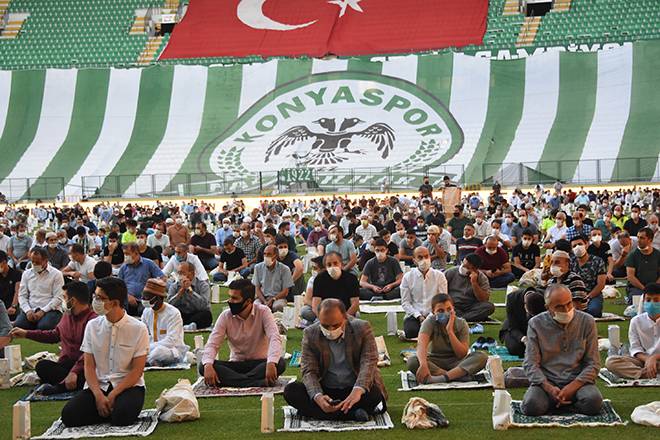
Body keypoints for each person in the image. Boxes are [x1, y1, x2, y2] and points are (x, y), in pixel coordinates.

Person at [60, 277, 149, 427]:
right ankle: (104, 409)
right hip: (98, 385)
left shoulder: (138, 328)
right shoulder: (92, 326)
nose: (95, 301)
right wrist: (98, 396)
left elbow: (137, 371)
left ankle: (109, 411)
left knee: (122, 418)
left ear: (114, 303)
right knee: (69, 416)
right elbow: (89, 366)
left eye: (100, 298)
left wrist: (114, 394)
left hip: (128, 386)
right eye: (95, 296)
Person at [283, 299, 387, 422]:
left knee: (374, 393)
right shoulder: (310, 333)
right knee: (291, 390)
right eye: (325, 326)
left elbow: (369, 362)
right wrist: (318, 397)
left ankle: (319, 413)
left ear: (345, 317)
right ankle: (351, 414)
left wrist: (358, 390)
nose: (331, 330)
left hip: (354, 388)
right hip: (326, 389)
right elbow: (308, 370)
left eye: (336, 325)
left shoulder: (361, 328)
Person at [522, 284, 603, 416]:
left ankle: (558, 403)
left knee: (593, 402)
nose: (566, 309)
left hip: (578, 382)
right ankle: (564, 403)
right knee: (531, 405)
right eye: (559, 307)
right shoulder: (535, 324)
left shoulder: (587, 321)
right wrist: (548, 387)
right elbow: (530, 363)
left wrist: (572, 387)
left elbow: (593, 363)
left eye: (569, 304)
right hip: (547, 383)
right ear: (548, 308)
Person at [10, 281, 96, 394]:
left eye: (65, 298)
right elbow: (54, 335)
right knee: (42, 366)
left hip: (86, 367)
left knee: (88, 374)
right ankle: (67, 383)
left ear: (73, 301)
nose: (63, 301)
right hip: (65, 365)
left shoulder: (93, 321)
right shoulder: (67, 316)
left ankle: (63, 386)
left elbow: (89, 353)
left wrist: (74, 372)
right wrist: (26, 333)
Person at [201, 279, 285, 388]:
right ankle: (254, 383)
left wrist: (271, 363)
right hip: (236, 363)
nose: (230, 301)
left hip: (259, 363)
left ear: (248, 301)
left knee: (280, 363)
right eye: (230, 297)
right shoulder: (225, 316)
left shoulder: (263, 312)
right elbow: (213, 343)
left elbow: (274, 337)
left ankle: (233, 381)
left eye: (234, 298)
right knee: (203, 366)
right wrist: (208, 365)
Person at [407, 294, 488, 383]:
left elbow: (462, 354)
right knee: (413, 361)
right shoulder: (429, 322)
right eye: (440, 311)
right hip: (435, 362)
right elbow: (421, 345)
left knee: (481, 356)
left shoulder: (461, 324)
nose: (445, 313)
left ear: (453, 309)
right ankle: (456, 376)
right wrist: (423, 364)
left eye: (449, 309)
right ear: (433, 312)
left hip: (457, 363)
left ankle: (439, 379)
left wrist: (450, 331)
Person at [605, 282, 659, 379]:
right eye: (648, 300)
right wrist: (648, 359)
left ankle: (651, 371)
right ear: (643, 301)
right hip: (642, 360)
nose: (651, 303)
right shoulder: (636, 321)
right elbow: (635, 348)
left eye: (656, 300)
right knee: (611, 362)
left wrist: (654, 358)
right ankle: (645, 374)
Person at [401, 247, 448, 339]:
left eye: (426, 256)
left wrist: (431, 315)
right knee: (411, 332)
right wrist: (418, 316)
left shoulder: (439, 276)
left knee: (442, 330)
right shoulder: (408, 277)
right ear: (414, 260)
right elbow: (405, 303)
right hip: (415, 315)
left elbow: (443, 300)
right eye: (420, 257)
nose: (424, 260)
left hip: (436, 314)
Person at [140, 279, 188, 366]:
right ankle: (149, 361)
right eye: (143, 296)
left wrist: (148, 348)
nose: (143, 300)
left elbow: (171, 341)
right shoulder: (146, 311)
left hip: (172, 350)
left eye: (146, 297)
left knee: (159, 352)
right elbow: (143, 334)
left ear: (158, 298)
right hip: (149, 348)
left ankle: (145, 361)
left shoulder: (173, 313)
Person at [15, 247, 64, 330]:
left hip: (50, 309)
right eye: (32, 261)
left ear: (46, 261)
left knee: (44, 326)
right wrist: (28, 310)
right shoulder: (26, 274)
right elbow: (22, 295)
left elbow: (58, 297)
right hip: (31, 308)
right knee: (19, 324)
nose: (34, 264)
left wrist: (43, 311)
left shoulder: (57, 274)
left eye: (37, 262)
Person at [117, 243, 165, 317]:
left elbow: (162, 278)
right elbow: (118, 286)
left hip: (144, 300)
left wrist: (151, 290)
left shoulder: (149, 263)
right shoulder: (124, 267)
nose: (125, 256)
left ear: (136, 253)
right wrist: (127, 295)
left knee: (145, 312)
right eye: (124, 254)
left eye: (127, 254)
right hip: (127, 300)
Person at [444, 253, 495, 322]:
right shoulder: (450, 272)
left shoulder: (481, 277)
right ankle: (467, 318)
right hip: (453, 305)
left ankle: (459, 318)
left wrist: (474, 283)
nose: (463, 268)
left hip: (471, 306)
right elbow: (441, 291)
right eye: (463, 265)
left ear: (475, 269)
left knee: (489, 307)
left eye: (467, 267)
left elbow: (484, 299)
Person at [499, 288, 546, 357]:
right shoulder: (512, 298)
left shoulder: (546, 297)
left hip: (539, 330)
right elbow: (513, 326)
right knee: (515, 348)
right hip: (516, 328)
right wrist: (524, 339)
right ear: (525, 306)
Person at [167, 262, 213, 330]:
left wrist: (191, 292)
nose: (180, 275)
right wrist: (179, 293)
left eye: (182, 273)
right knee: (171, 314)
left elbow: (204, 305)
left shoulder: (203, 285)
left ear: (192, 273)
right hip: (182, 314)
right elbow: (169, 305)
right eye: (178, 273)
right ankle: (187, 326)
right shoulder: (174, 286)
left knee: (206, 315)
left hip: (196, 313)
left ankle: (188, 326)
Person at [312, 252, 360, 317]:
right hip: (325, 314)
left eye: (335, 263)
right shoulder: (319, 279)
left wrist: (343, 318)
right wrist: (322, 318)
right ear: (325, 267)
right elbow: (316, 304)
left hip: (346, 314)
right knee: (306, 311)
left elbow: (355, 304)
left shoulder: (351, 279)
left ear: (341, 264)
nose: (332, 267)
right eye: (329, 265)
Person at [570, 235, 606, 317]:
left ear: (586, 244)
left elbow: (601, 284)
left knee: (594, 311)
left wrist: (587, 297)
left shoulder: (598, 261)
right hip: (573, 296)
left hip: (593, 294)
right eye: (574, 246)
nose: (577, 247)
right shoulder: (570, 262)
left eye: (580, 244)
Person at [253, 245, 294, 313]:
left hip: (278, 298)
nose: (266, 256)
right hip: (262, 298)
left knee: (278, 306)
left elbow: (285, 292)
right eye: (264, 254)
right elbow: (257, 289)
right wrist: (264, 301)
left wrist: (273, 299)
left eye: (269, 254)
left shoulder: (285, 269)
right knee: (256, 306)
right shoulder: (258, 267)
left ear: (276, 255)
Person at [625, 227, 660, 302]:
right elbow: (630, 276)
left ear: (650, 240)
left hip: (656, 286)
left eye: (642, 238)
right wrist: (645, 289)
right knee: (638, 300)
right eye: (638, 237)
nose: (638, 240)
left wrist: (655, 287)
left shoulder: (658, 254)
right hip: (637, 288)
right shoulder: (632, 255)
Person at [275, 235, 305, 299]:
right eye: (280, 247)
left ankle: (295, 295)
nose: (283, 249)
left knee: (296, 270)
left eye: (285, 247)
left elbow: (299, 267)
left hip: (291, 281)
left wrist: (289, 282)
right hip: (278, 281)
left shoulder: (291, 254)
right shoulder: (274, 256)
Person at [0, 250, 21, 321]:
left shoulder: (17, 274)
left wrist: (13, 306)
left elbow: (17, 292)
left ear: (4, 262)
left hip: (11, 305)